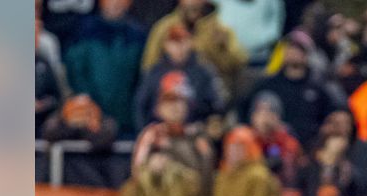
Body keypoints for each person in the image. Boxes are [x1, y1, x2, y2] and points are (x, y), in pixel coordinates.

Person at [242, 31, 343, 144]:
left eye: (299, 49)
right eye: (290, 48)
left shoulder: (320, 86)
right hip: (272, 146)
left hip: (310, 148)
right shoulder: (268, 84)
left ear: (307, 54)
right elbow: (243, 110)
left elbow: (336, 111)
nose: (294, 52)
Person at [62, 0, 146, 135]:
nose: (115, 3)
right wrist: (90, 106)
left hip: (127, 122)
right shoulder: (83, 31)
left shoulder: (138, 35)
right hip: (91, 122)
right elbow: (75, 72)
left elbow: (142, 77)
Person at [142, 0, 247, 100]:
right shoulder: (164, 28)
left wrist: (222, 49)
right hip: (170, 99)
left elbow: (238, 64)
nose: (192, 2)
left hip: (212, 98)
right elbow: (149, 65)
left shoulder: (221, 31)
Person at [135, 23, 227, 131]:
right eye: (174, 42)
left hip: (193, 132)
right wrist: (145, 129)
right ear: (166, 45)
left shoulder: (204, 71)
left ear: (191, 43)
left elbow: (217, 104)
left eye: (183, 41)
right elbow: (140, 104)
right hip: (160, 132)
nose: (179, 47)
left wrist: (203, 125)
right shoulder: (154, 72)